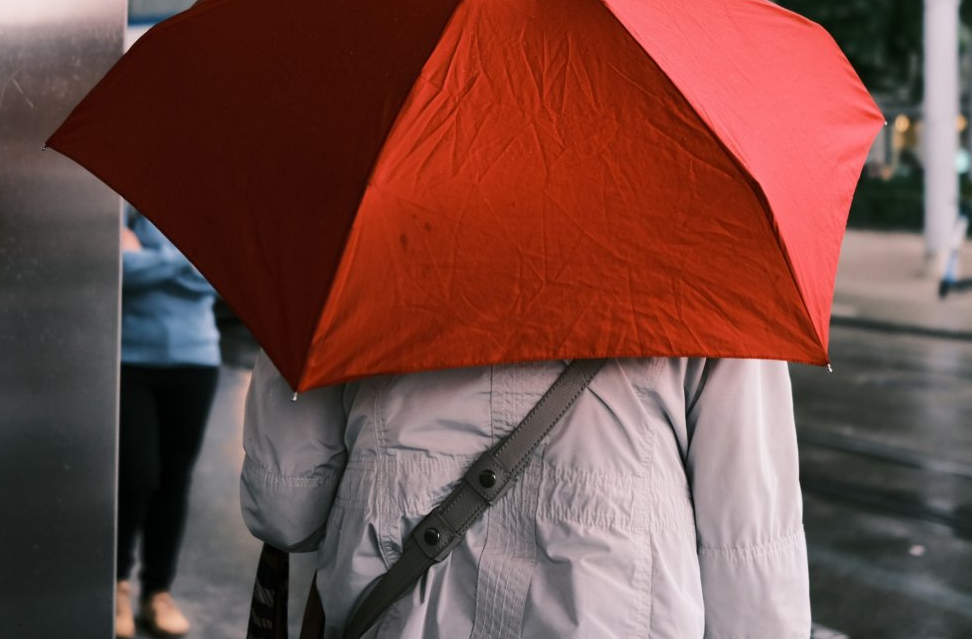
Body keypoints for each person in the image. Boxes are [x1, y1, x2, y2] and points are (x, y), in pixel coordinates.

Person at [241, 353, 810, 638]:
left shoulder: (358, 216)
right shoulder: (716, 245)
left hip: (396, 610)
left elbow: (285, 511)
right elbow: (750, 556)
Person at [116, 209, 221, 638]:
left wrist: (151, 256)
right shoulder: (123, 201)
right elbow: (117, 270)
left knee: (175, 481)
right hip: (129, 361)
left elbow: (217, 279)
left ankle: (157, 591)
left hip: (196, 362)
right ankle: (118, 584)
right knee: (136, 477)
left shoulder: (208, 207)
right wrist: (185, 257)